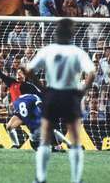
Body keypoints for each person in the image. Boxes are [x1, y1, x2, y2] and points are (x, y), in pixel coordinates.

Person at [28, 18, 96, 183]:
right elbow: (92, 73)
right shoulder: (78, 52)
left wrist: (42, 88)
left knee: (45, 137)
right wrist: (82, 91)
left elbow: (29, 70)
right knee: (74, 138)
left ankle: (41, 178)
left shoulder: (47, 50)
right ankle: (76, 179)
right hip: (70, 95)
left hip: (52, 94)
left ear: (56, 33)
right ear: (71, 34)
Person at [0, 60, 42, 149]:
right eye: (17, 73)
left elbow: (40, 96)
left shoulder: (30, 86)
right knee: (9, 127)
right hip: (20, 112)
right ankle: (16, 145)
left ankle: (55, 145)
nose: (18, 75)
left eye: (20, 73)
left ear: (25, 76)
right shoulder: (12, 82)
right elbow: (0, 74)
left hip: (31, 112)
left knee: (39, 132)